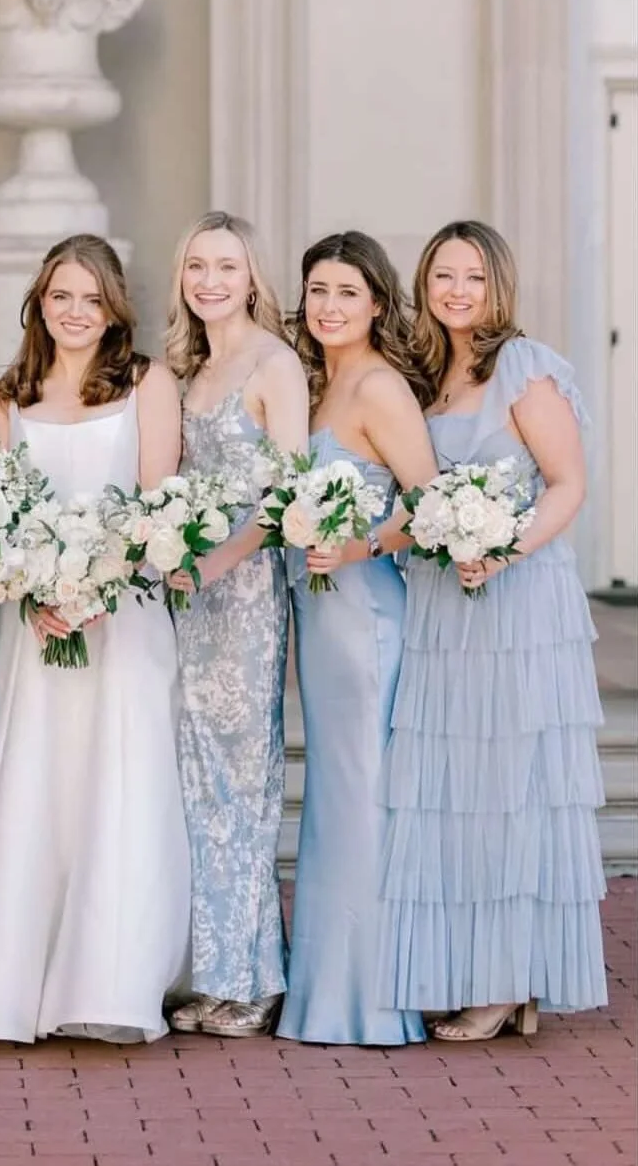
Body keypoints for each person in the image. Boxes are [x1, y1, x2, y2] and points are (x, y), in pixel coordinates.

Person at [0, 234, 191, 1043]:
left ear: (114, 307)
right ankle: (21, 976)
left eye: (91, 298)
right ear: (39, 302)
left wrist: (100, 587)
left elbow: (157, 505)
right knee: (39, 778)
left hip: (126, 618)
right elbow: (0, 513)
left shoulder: (148, 383)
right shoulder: (10, 392)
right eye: (60, 296)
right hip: (36, 620)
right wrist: (40, 589)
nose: (75, 312)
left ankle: (110, 979)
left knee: (119, 780)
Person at [379, 220, 607, 1040]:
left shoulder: (523, 366)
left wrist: (503, 548)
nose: (456, 290)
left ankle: (508, 978)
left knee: (511, 788)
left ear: (496, 284)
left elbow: (567, 482)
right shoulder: (425, 378)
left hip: (517, 604)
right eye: (442, 275)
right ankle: (479, 966)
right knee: (457, 793)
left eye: (472, 277)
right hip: (444, 607)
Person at [276, 231, 436, 1047]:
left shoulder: (377, 388)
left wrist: (361, 543)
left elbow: (428, 501)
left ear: (376, 302)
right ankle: (321, 994)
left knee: (358, 793)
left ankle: (371, 999)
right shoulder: (311, 386)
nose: (328, 305)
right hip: (319, 616)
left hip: (366, 615)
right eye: (317, 290)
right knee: (333, 800)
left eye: (346, 291)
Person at [163, 212, 309, 1038]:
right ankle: (207, 969)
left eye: (224, 265)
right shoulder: (194, 365)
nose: (209, 279)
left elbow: (286, 491)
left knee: (241, 779)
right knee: (195, 780)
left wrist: (217, 561)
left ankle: (251, 978)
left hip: (245, 593)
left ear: (251, 275)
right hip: (187, 593)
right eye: (195, 265)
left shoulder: (272, 362)